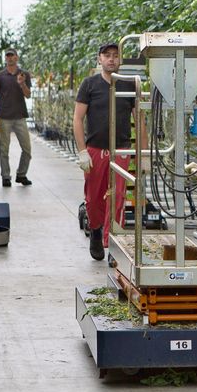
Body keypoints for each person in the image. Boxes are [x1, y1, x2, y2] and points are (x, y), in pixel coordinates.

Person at [74, 42, 135, 261]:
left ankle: (114, 244)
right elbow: (78, 119)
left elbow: (140, 120)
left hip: (120, 149)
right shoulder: (89, 85)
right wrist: (82, 152)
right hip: (95, 150)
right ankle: (96, 231)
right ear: (99, 58)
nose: (111, 59)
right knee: (94, 197)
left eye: (115, 56)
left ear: (120, 60)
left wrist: (143, 154)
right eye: (107, 55)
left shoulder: (129, 85)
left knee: (118, 197)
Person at [0, 49, 33, 187]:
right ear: (5, 59)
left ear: (17, 57)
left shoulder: (24, 75)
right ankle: (5, 176)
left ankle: (21, 174)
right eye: (7, 56)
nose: (10, 58)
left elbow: (28, 95)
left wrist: (22, 83)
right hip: (4, 117)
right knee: (4, 149)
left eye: (12, 55)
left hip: (20, 117)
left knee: (27, 148)